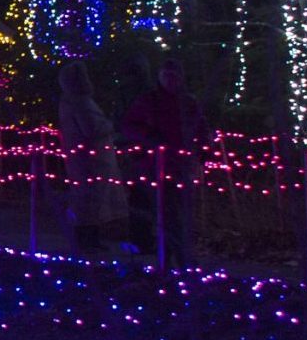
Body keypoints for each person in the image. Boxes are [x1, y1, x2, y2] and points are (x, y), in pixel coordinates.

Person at [120, 56, 210, 264]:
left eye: (174, 76)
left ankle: (176, 253)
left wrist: (205, 150)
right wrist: (149, 137)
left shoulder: (188, 102)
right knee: (162, 211)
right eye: (166, 76)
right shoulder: (148, 101)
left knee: (179, 212)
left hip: (181, 165)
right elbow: (129, 125)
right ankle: (167, 254)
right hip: (154, 165)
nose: (170, 80)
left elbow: (201, 127)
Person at [55, 61, 127, 251]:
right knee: (91, 199)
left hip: (82, 157)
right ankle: (88, 240)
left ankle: (88, 238)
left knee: (87, 199)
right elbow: (92, 128)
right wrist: (110, 125)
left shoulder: (69, 101)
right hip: (92, 158)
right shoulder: (80, 102)